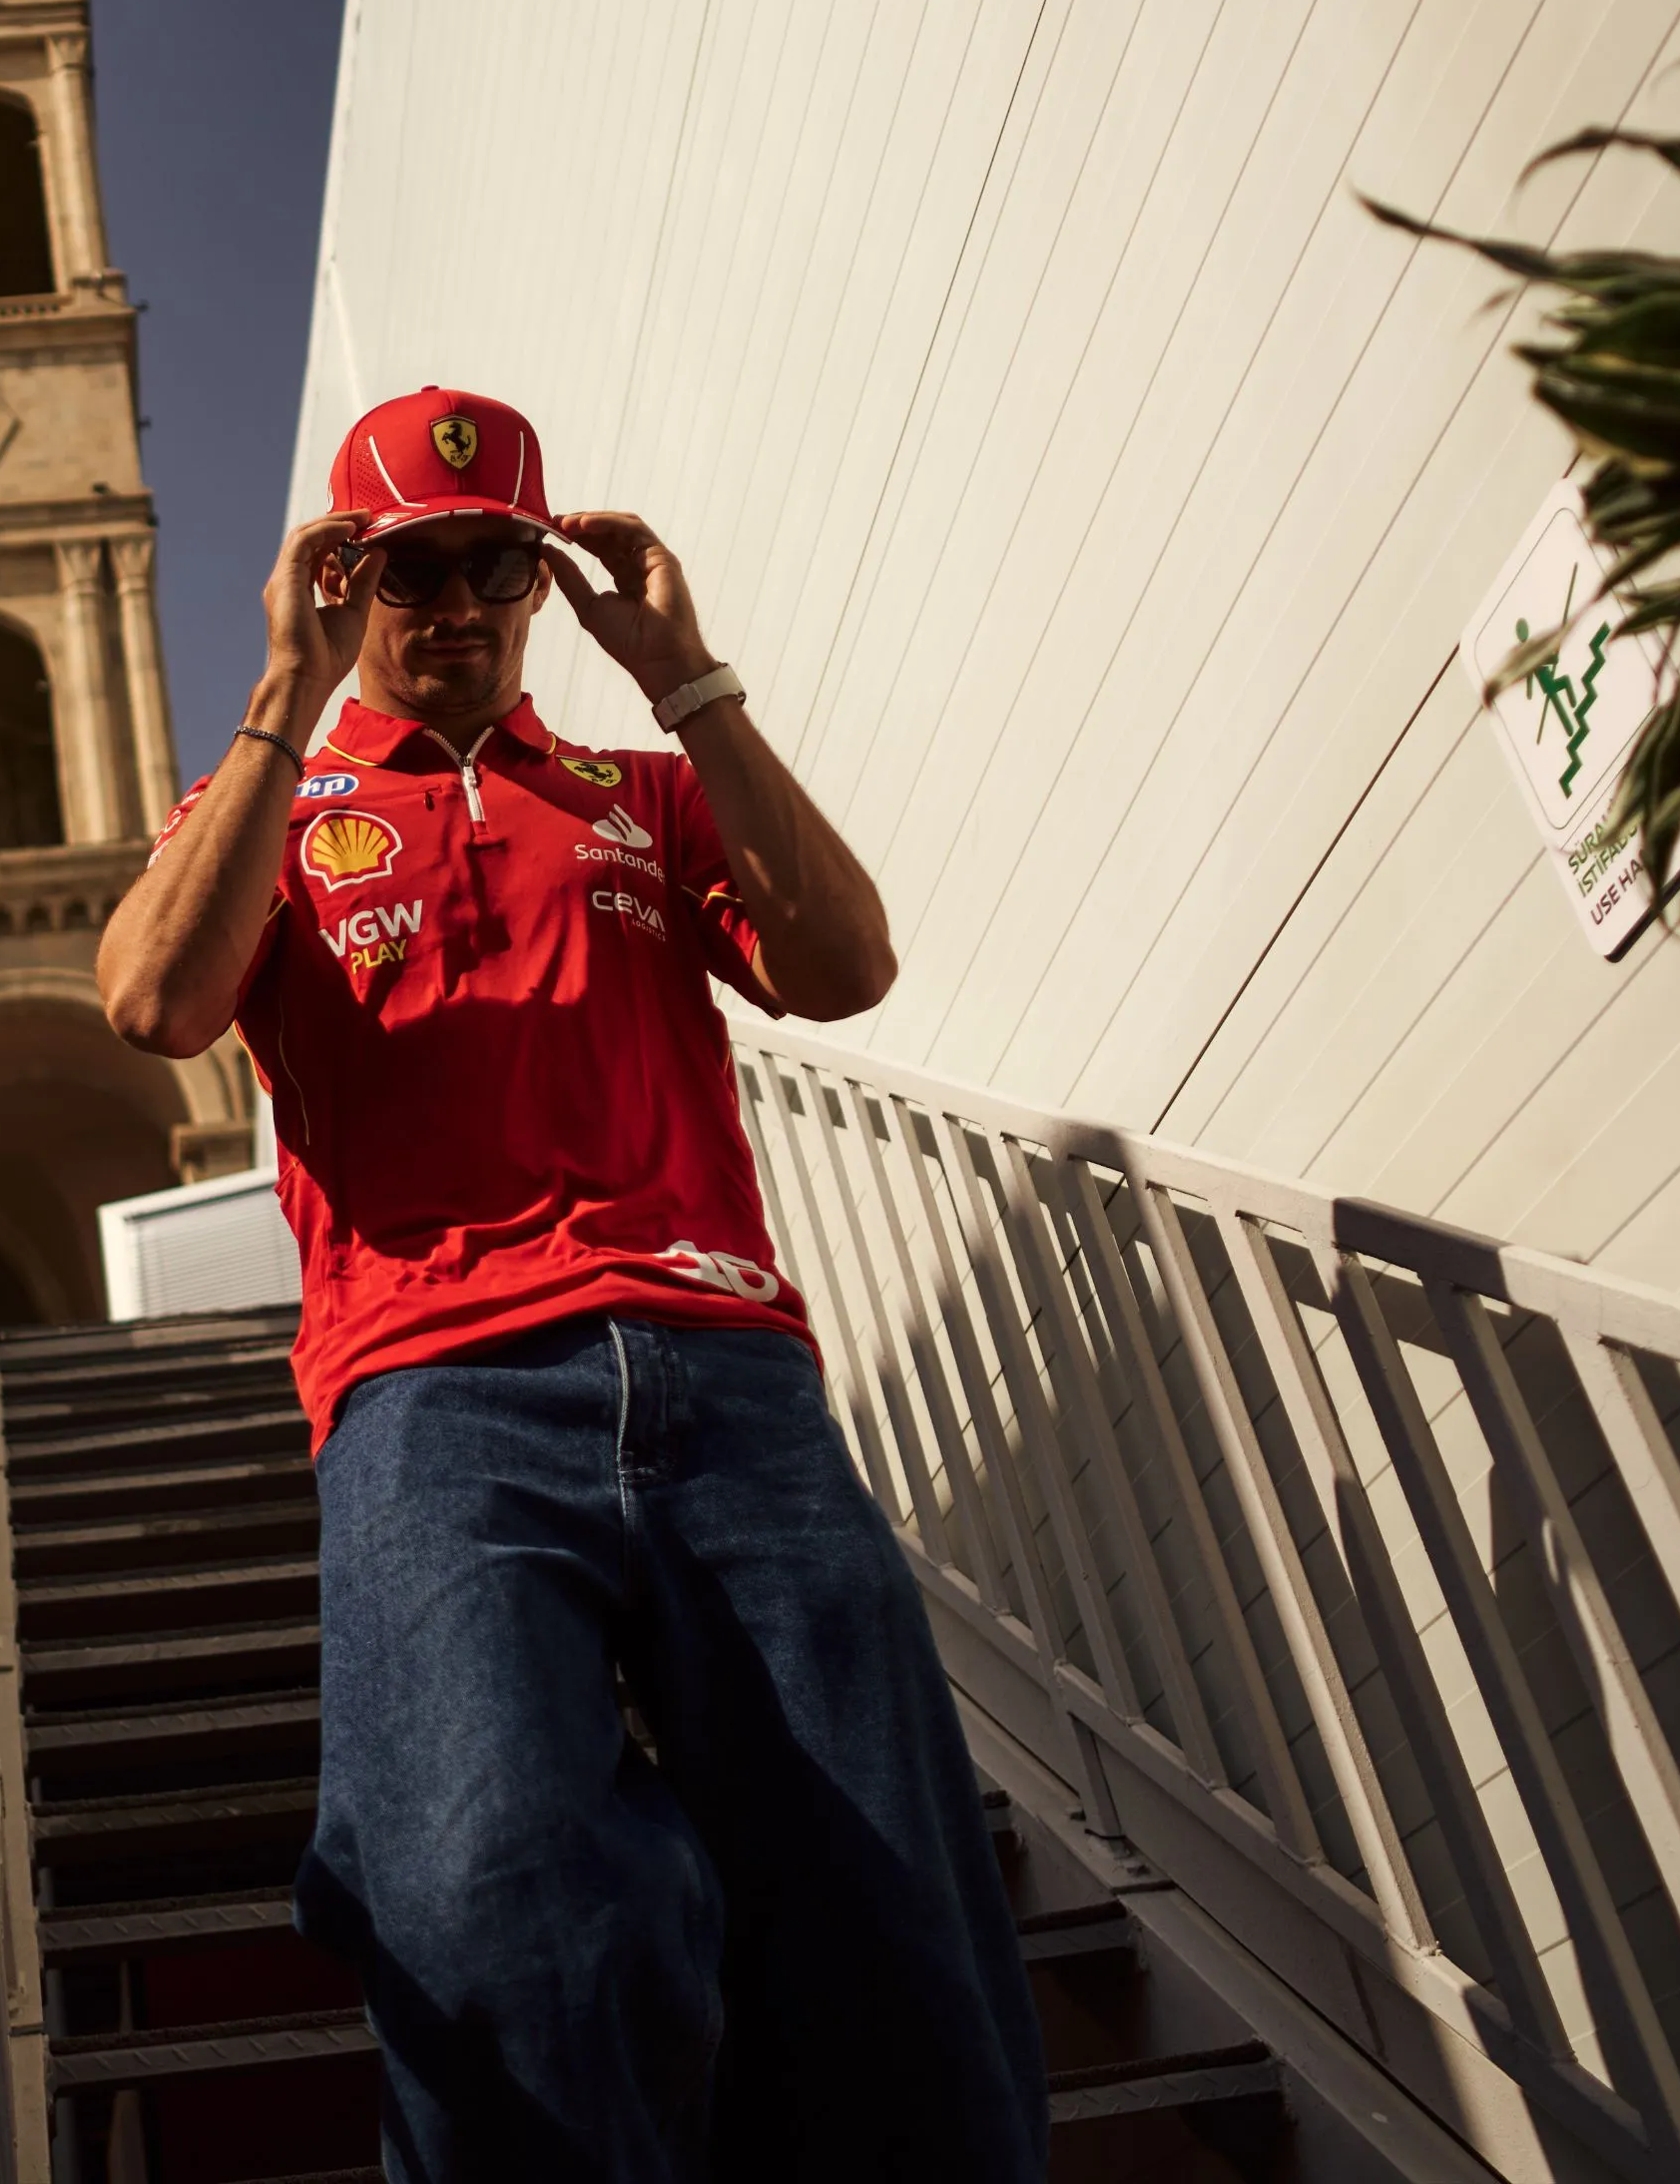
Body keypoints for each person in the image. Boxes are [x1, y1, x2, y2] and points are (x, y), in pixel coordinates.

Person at [97, 386, 1044, 2180]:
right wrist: (282, 703)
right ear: (345, 576)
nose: (453, 602)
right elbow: (154, 1003)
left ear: (540, 581)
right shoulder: (267, 815)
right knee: (478, 1891)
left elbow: (842, 967)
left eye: (494, 564)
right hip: (433, 1396)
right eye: (410, 566)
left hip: (726, 1376)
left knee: (887, 1894)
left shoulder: (644, 793)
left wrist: (685, 674)